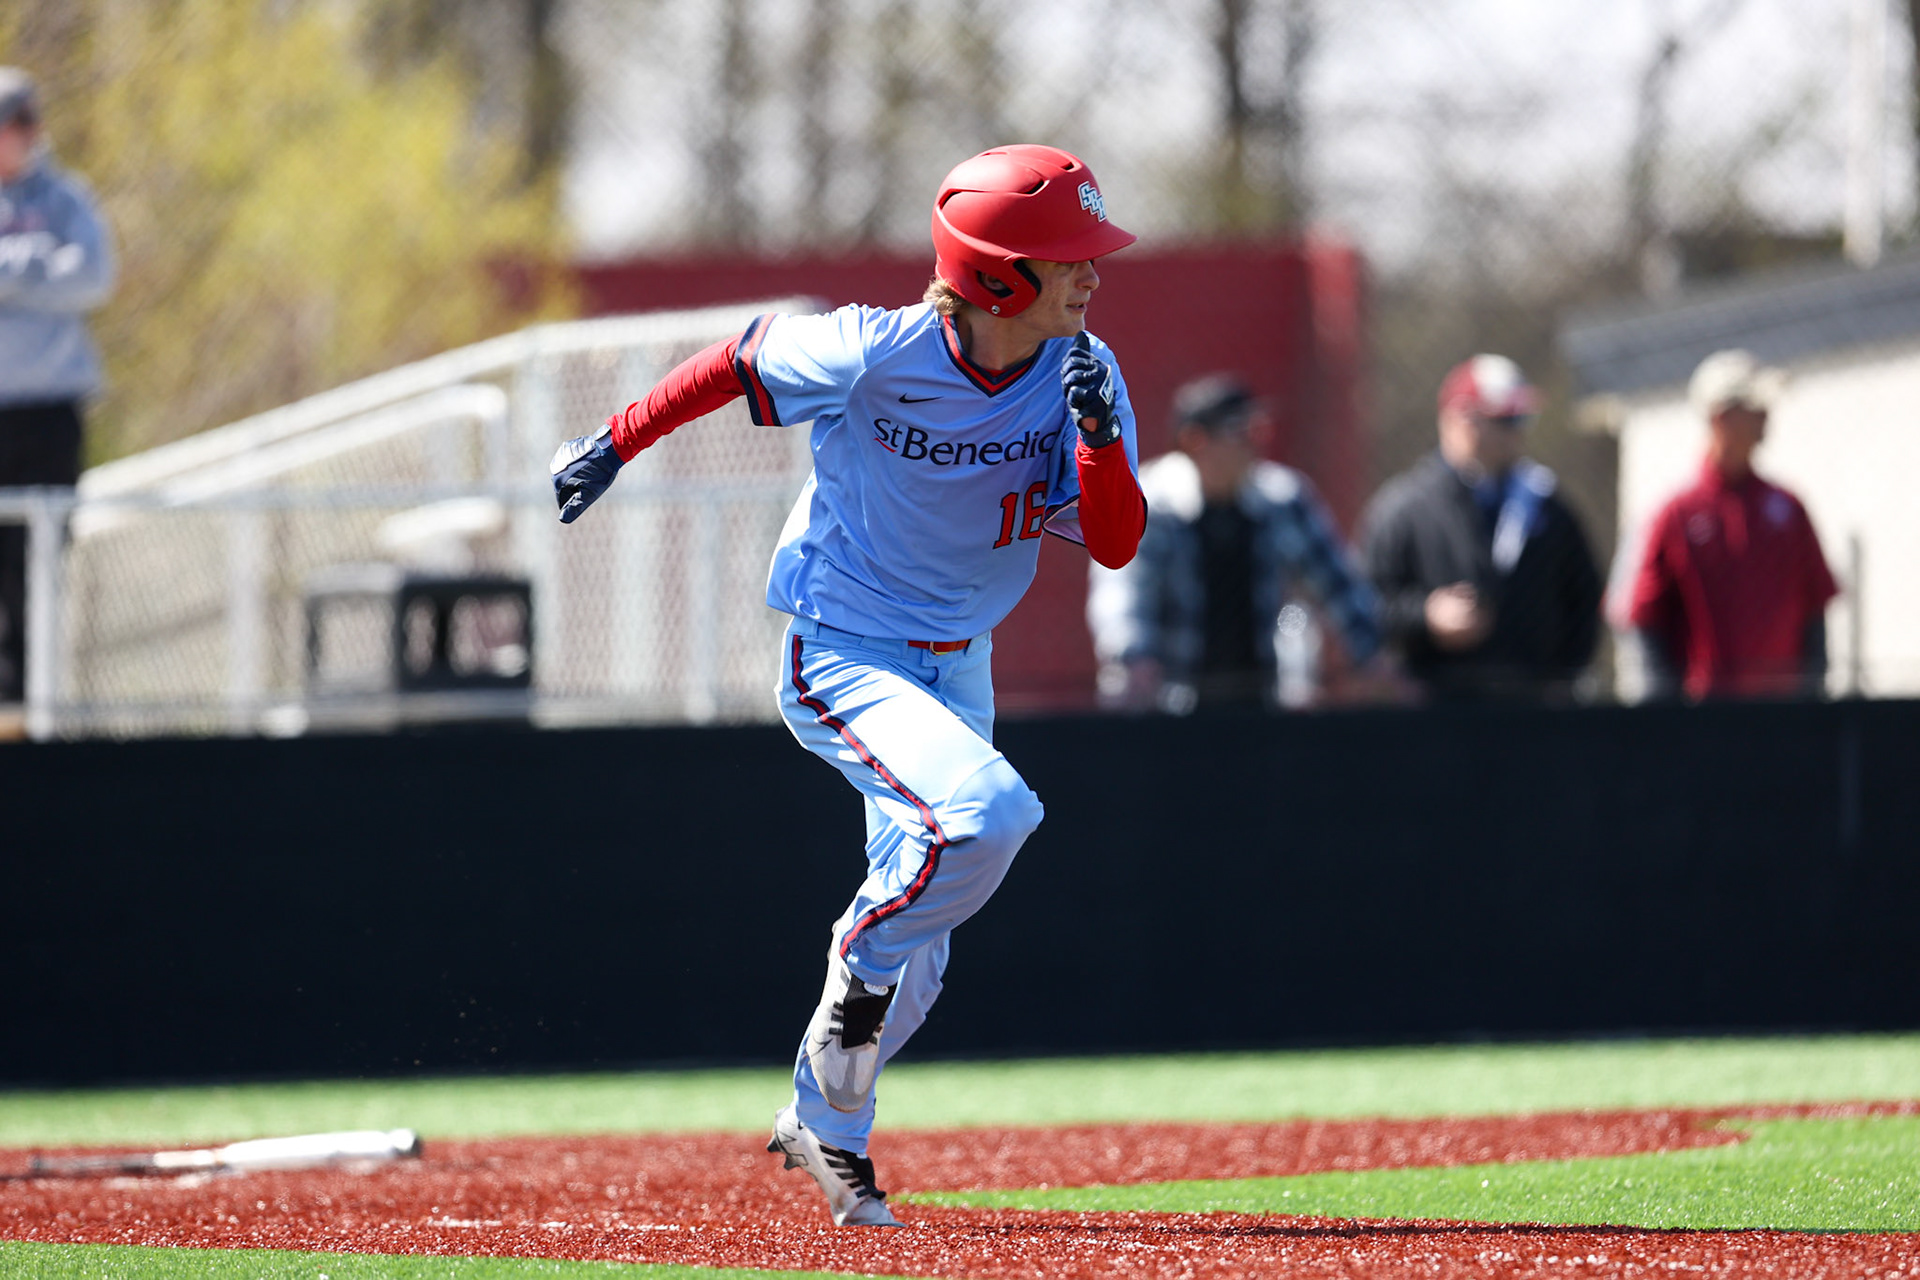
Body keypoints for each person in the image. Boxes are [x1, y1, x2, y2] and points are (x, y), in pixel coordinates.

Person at [549, 145, 1144, 1227]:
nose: (1094, 276)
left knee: (925, 957)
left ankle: (824, 1121)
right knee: (991, 814)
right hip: (843, 652)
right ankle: (854, 965)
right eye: (1070, 260)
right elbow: (735, 360)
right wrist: (613, 440)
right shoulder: (879, 348)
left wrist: (1101, 440)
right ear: (1000, 275)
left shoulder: (1079, 380)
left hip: (958, 663)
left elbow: (1112, 544)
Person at [1087, 372, 1383, 712]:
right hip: (1168, 707)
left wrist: (1372, 655)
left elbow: (1340, 587)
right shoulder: (1149, 505)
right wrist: (1135, 663)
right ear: (1194, 440)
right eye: (1240, 431)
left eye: (1257, 429)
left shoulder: (1283, 499)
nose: (1254, 442)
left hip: (1263, 703)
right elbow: (1120, 600)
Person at [1361, 354, 1601, 702]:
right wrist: (1425, 616)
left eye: (1522, 418)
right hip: (1436, 713)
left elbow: (1584, 595)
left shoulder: (1547, 505)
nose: (1518, 431)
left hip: (1532, 711)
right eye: (1506, 419)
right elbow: (1364, 603)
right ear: (1460, 419)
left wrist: (1564, 676)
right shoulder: (1404, 508)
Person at [1618, 349, 1836, 700]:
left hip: (1783, 718)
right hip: (1705, 720)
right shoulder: (1675, 514)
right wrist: (1662, 717)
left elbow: (1814, 612)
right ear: (1721, 417)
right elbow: (1646, 619)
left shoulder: (1789, 509)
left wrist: (1811, 701)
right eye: (1754, 409)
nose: (1766, 418)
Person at [0, 67, 115, 707]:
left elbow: (92, 278)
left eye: (23, 123)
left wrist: (12, 272)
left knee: (38, 565)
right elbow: (57, 274)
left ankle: (34, 706)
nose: (16, 137)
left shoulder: (67, 199)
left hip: (48, 419)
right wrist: (39, 266)